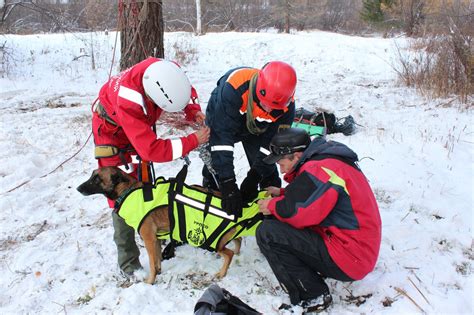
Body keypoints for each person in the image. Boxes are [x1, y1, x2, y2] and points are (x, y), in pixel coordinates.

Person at [91, 57, 210, 275]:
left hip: (137, 123)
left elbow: (186, 89)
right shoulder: (128, 100)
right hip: (112, 134)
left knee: (146, 182)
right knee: (120, 195)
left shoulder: (164, 70)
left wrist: (193, 110)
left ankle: (156, 232)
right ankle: (128, 263)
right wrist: (192, 141)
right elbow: (152, 150)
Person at [256, 128, 381, 312]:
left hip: (350, 255)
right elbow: (315, 196)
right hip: (356, 247)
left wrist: (271, 205)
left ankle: (313, 296)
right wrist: (282, 193)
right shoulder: (326, 161)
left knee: (268, 233)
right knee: (278, 222)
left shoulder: (319, 169)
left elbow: (297, 213)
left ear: (297, 156)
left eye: (282, 163)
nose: (281, 170)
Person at [203, 61, 297, 217]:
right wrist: (228, 183)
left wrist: (255, 176)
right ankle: (212, 191)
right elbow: (221, 142)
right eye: (265, 104)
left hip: (257, 126)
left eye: (273, 108)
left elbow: (272, 145)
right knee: (215, 159)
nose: (269, 109)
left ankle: (270, 208)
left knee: (267, 167)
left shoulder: (287, 107)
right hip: (224, 112)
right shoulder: (233, 89)